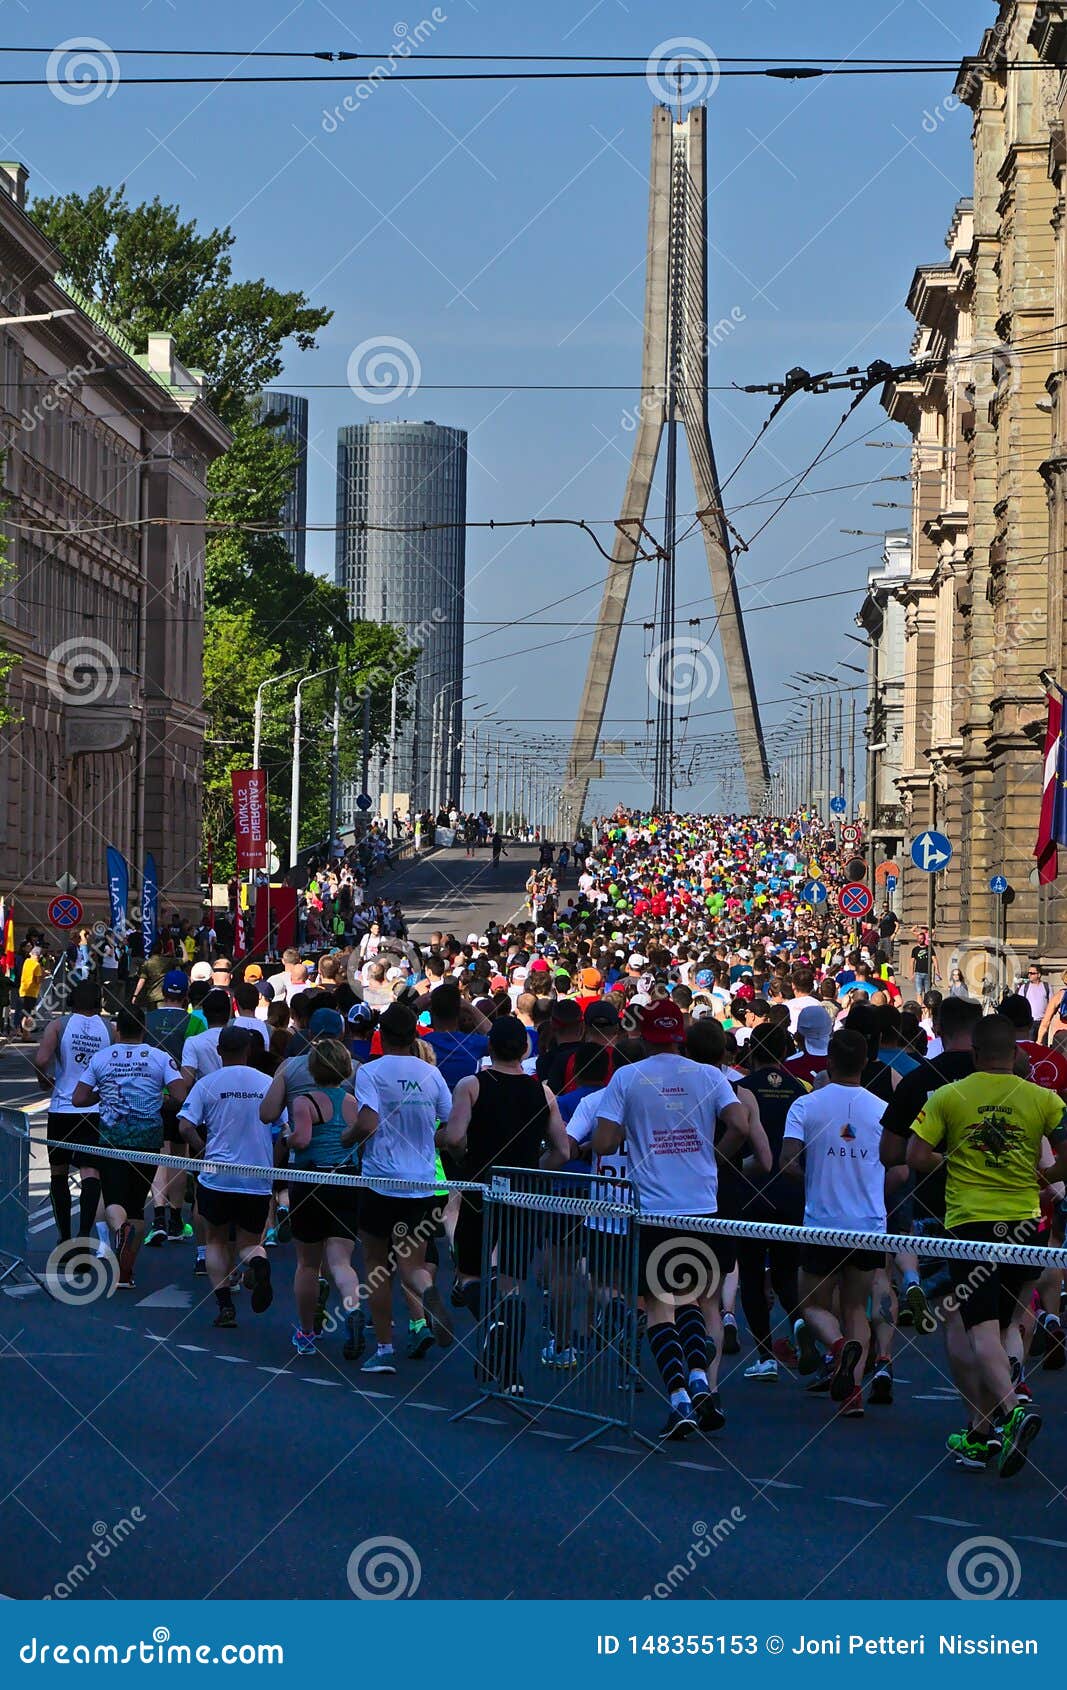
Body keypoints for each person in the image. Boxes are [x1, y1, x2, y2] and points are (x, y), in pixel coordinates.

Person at [593, 999, 761, 1440]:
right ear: (680, 1036)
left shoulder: (627, 1076)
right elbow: (740, 1124)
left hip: (654, 1209)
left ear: (644, 1036)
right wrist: (712, 1157)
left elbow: (603, 1143)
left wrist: (632, 1130)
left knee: (660, 1307)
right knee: (691, 1299)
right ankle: (702, 1381)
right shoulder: (707, 1074)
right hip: (703, 1208)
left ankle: (679, 1398)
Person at [908, 1014, 1066, 1477]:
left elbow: (915, 1155)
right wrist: (1041, 1180)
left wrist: (953, 1163)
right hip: (1024, 1224)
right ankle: (983, 1431)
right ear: (1016, 1056)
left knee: (978, 1327)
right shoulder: (1044, 1097)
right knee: (1013, 1321)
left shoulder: (949, 1095)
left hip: (971, 1225)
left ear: (975, 1053)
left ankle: (1011, 1411)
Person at [780, 1029, 887, 1419]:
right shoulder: (881, 1108)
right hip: (868, 1223)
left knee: (810, 1303)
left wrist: (814, 1178)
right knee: (857, 1305)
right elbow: (897, 1165)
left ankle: (840, 1348)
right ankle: (852, 1393)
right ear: (865, 1063)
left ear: (828, 1062)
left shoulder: (806, 1105)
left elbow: (786, 1162)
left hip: (822, 1220)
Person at [348, 1003, 456, 1372]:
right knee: (412, 1263)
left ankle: (383, 1350)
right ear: (415, 1035)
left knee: (377, 1266)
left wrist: (347, 1139)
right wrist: (430, 1139)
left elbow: (366, 1122)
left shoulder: (370, 1071)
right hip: (422, 1182)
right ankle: (427, 1293)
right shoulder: (431, 1074)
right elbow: (450, 1126)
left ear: (381, 1034)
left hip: (380, 1181)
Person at [71, 1007, 189, 1288]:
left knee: (113, 1199)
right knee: (137, 1206)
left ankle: (119, 1231)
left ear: (117, 1030)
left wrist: (103, 1097)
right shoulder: (160, 1057)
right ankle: (125, 1273)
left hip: (112, 1139)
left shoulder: (101, 1058)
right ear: (144, 1029)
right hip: (147, 1139)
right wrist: (158, 1101)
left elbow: (78, 1099)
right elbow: (181, 1095)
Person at [264, 1037, 365, 1360]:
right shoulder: (351, 1101)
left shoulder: (304, 1101)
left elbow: (304, 1139)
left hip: (310, 1180)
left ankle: (307, 1332)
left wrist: (288, 1138)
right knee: (341, 1261)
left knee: (308, 1263)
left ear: (313, 1068)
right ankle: (352, 1309)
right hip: (346, 1179)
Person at [178, 1026, 277, 1329]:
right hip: (257, 1176)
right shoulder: (268, 1083)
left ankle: (225, 1306)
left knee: (216, 1241)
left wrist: (204, 1149)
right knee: (249, 1242)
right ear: (249, 1051)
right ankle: (257, 1263)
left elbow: (184, 1126)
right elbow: (283, 1129)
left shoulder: (207, 1083)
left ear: (219, 1052)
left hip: (217, 1176)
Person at [33, 980, 111, 1251]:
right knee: (91, 1172)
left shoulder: (59, 1025)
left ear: (72, 1001)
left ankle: (64, 1235)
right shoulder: (109, 1029)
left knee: (58, 1174)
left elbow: (42, 1060)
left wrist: (45, 1081)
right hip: (93, 1109)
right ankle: (84, 1234)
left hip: (63, 1108)